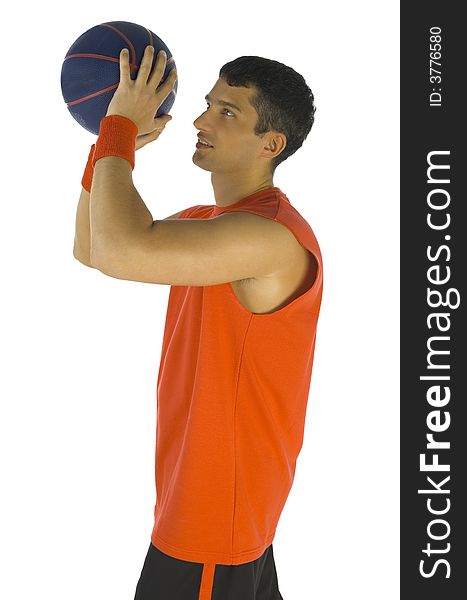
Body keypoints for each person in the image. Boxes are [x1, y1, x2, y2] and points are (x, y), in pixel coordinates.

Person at [73, 49, 323, 600]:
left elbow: (120, 250)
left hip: (211, 526)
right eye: (208, 104)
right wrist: (106, 148)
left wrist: (117, 127)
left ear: (271, 145)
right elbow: (93, 246)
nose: (199, 120)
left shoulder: (268, 237)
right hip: (219, 512)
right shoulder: (211, 225)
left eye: (227, 112)